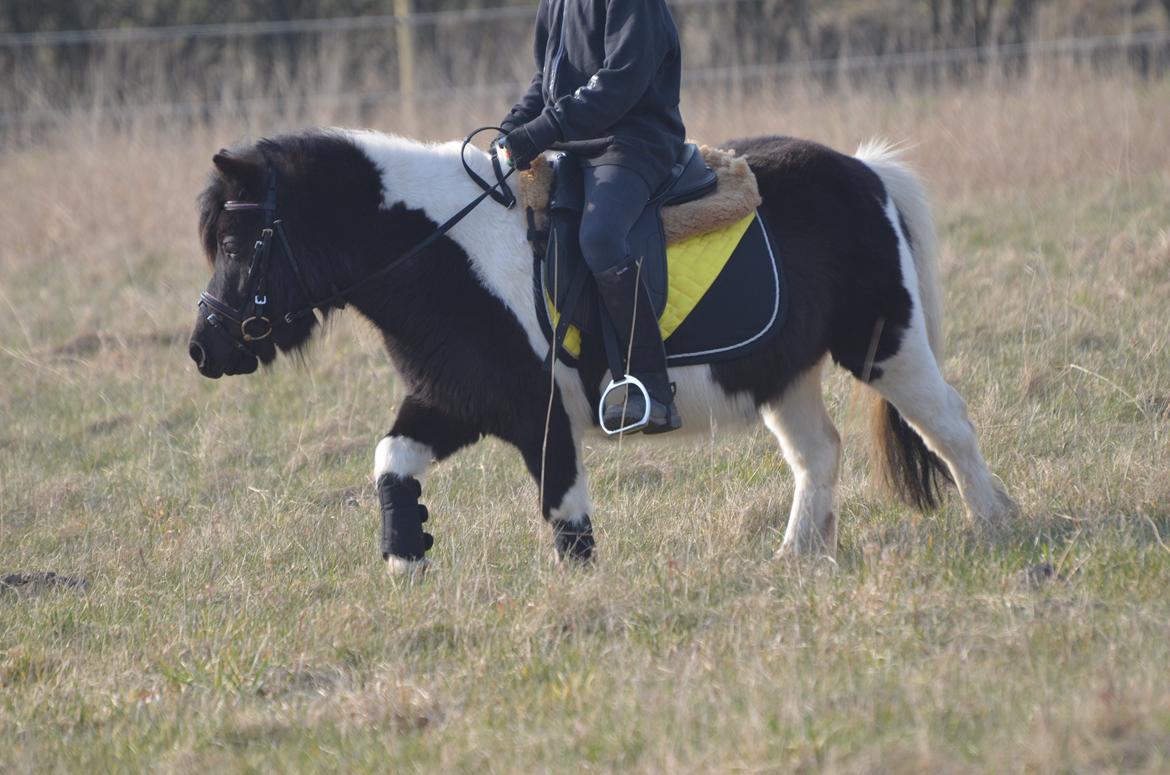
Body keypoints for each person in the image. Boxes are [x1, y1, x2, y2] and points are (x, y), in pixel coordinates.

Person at [498, 0, 686, 435]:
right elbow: (544, 82)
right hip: (574, 146)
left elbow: (622, 81)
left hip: (633, 141)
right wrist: (511, 130)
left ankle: (654, 391)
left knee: (600, 237)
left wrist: (544, 130)